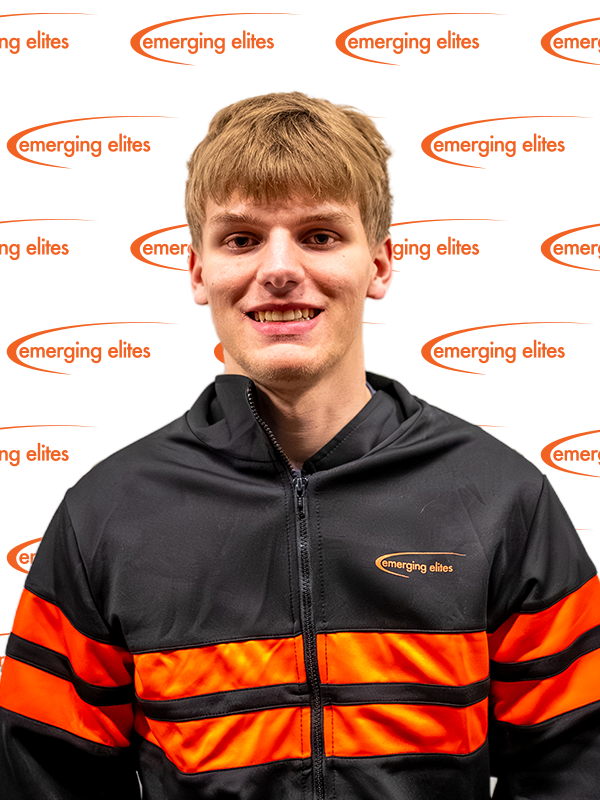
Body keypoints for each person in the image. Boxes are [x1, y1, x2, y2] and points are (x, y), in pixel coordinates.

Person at [1, 92, 599, 800]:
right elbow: (45, 778)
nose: (279, 268)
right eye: (241, 239)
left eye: (319, 235)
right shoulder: (105, 515)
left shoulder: (501, 498)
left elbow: (576, 763)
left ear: (379, 265)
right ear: (198, 271)